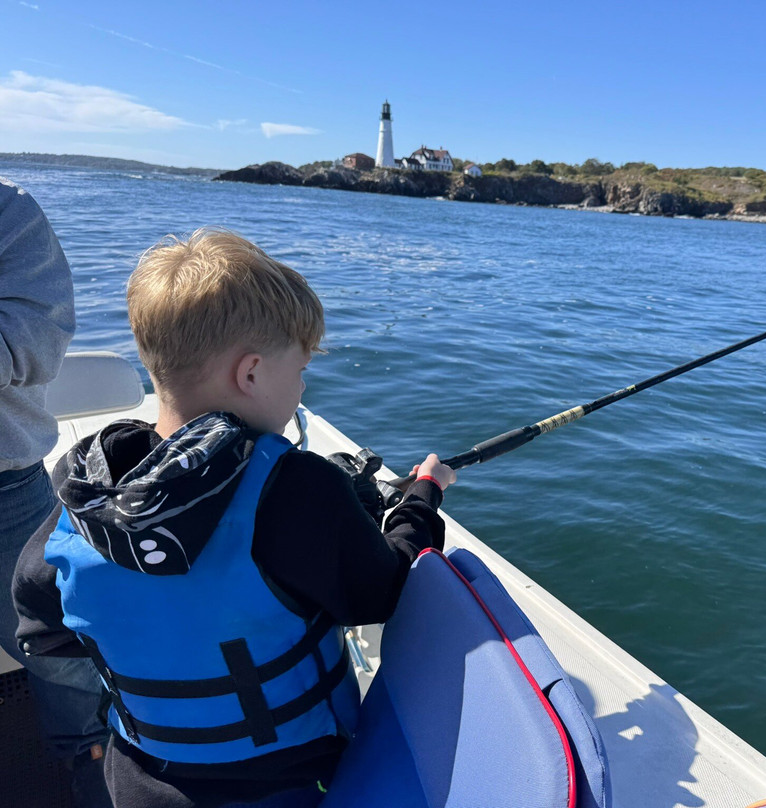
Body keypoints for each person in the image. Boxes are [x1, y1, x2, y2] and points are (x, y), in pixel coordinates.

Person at [14, 228, 456, 808]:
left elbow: (40, 621)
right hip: (291, 779)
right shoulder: (297, 487)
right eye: (299, 371)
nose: (300, 389)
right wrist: (421, 500)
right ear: (250, 374)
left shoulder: (89, 485)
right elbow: (384, 593)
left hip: (141, 779)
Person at [0, 176, 111, 804]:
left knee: (64, 660)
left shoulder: (8, 210)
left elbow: (35, 338)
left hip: (6, 488)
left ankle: (96, 774)